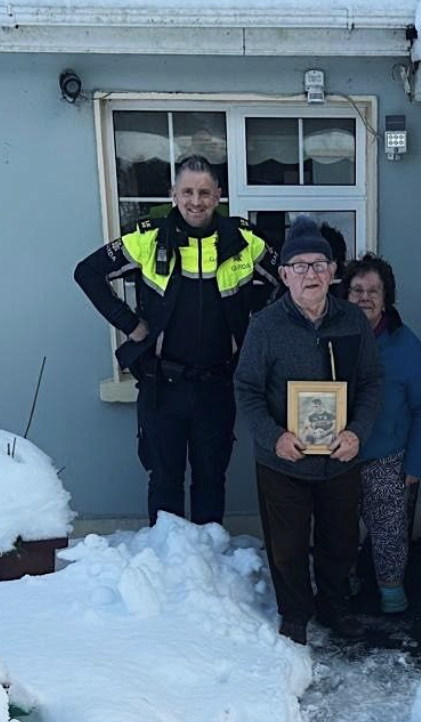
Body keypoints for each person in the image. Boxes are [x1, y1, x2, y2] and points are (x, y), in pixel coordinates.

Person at [73, 156, 273, 525]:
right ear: (173, 194)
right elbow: (87, 272)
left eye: (204, 193)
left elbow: (286, 282)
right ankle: (168, 574)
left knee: (211, 480)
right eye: (187, 192)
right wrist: (129, 324)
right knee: (164, 481)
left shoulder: (243, 241)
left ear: (218, 197)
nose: (195, 201)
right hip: (161, 387)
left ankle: (208, 566)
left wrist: (256, 334)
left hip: (217, 386)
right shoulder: (148, 238)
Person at [234, 216, 383, 646]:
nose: (311, 274)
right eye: (299, 266)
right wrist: (274, 437)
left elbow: (373, 382)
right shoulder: (265, 326)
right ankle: (295, 613)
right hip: (284, 460)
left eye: (319, 264)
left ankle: (335, 606)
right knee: (288, 546)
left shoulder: (353, 321)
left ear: (334, 271)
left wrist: (357, 432)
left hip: (340, 458)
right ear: (284, 275)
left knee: (340, 541)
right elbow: (246, 389)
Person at [342, 253, 421, 614]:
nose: (365, 297)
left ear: (387, 298)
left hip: (385, 457)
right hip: (336, 456)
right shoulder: (331, 336)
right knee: (338, 531)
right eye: (357, 290)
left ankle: (391, 592)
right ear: (344, 294)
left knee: (388, 533)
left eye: (374, 290)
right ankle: (343, 585)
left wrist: (416, 464)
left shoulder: (404, 345)